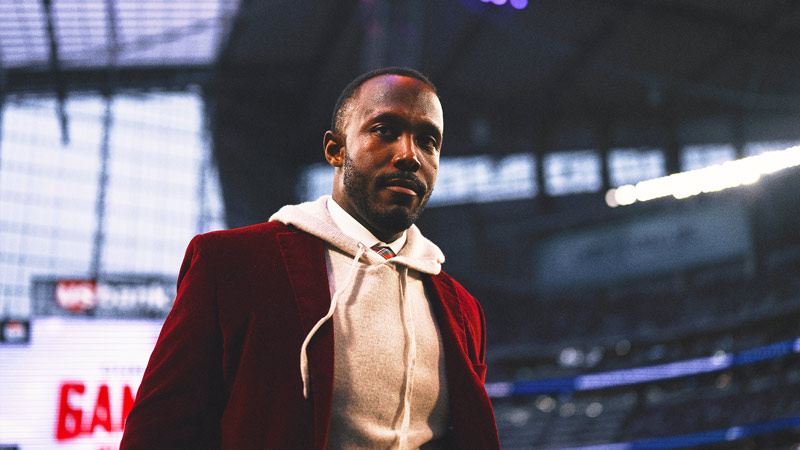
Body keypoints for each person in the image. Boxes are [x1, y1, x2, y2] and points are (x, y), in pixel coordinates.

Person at [120, 67, 500, 450]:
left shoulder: (463, 310)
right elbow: (158, 434)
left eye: (428, 141)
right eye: (385, 130)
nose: (409, 155)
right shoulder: (232, 264)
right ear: (335, 150)